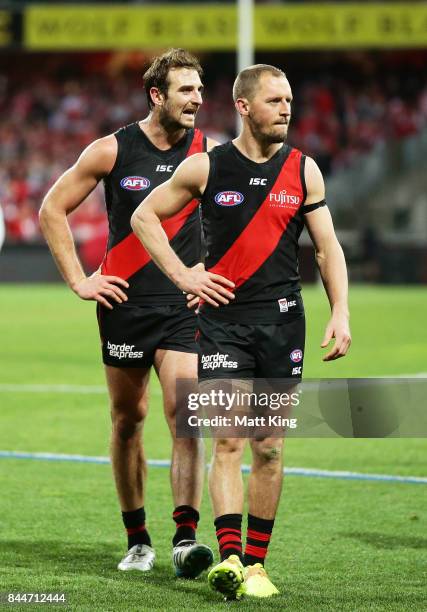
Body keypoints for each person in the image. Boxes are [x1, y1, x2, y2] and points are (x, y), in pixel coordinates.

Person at [130, 64, 351, 599]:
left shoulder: (304, 171)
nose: (287, 108)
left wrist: (340, 310)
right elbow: (144, 216)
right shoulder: (207, 168)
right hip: (223, 327)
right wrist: (184, 275)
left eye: (290, 100)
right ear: (245, 107)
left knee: (269, 447)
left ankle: (256, 563)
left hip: (282, 326)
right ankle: (229, 557)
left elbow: (326, 248)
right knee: (227, 441)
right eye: (275, 100)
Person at [39, 48, 221, 578]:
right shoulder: (111, 151)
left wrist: (209, 269)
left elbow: (231, 224)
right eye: (186, 90)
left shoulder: (208, 153)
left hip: (183, 304)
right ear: (157, 95)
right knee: (127, 421)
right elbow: (52, 208)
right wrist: (78, 279)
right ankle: (138, 539)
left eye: (200, 89)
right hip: (123, 304)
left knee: (185, 414)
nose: (197, 99)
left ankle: (186, 539)